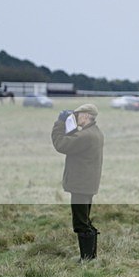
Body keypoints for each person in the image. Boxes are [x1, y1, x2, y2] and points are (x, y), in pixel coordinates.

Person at [51, 103, 104, 262]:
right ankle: (91, 258)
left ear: (86, 115)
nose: (76, 117)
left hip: (81, 185)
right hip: (87, 184)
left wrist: (60, 123)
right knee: (85, 220)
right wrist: (71, 127)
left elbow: (61, 144)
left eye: (78, 114)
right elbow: (75, 141)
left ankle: (86, 259)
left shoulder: (86, 136)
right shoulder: (94, 132)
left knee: (81, 223)